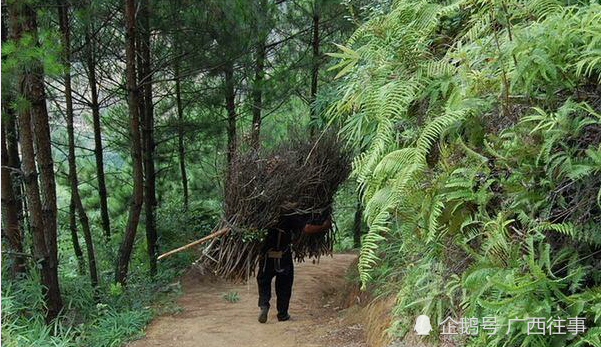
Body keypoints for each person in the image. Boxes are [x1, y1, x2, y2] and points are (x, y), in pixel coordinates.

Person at [256, 212, 331, 323]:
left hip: (267, 255)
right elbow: (307, 228)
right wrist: (323, 227)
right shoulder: (290, 214)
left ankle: (264, 305)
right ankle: (282, 314)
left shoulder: (262, 212)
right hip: (283, 255)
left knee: (264, 280)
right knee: (284, 285)